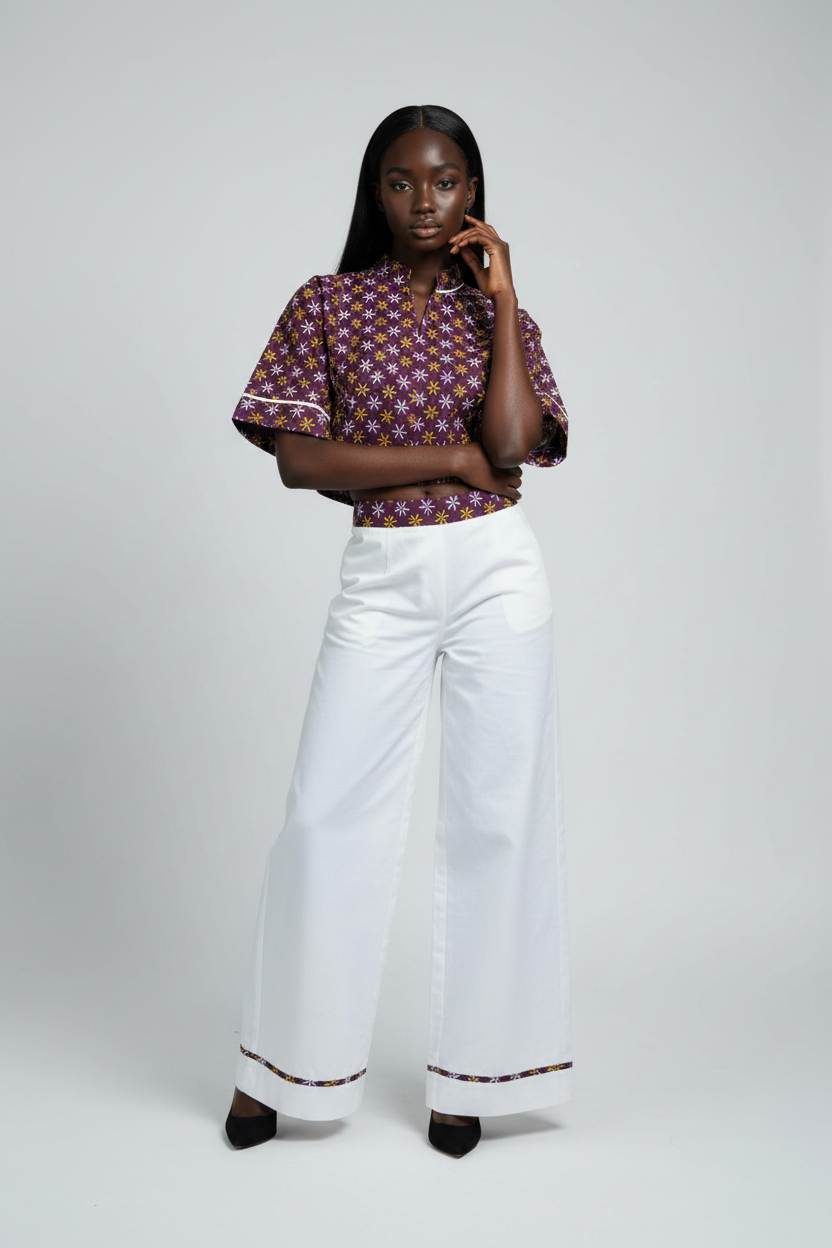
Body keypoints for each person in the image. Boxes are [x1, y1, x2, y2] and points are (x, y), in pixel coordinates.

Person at [224, 104, 572, 1159]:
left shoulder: (503, 318)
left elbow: (513, 445)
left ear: (474, 192)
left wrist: (501, 299)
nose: (426, 202)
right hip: (384, 574)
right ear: (375, 193)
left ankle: (473, 1077)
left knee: (499, 820)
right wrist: (451, 461)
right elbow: (301, 461)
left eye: (448, 180)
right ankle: (279, 1069)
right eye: (403, 182)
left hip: (498, 576)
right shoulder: (327, 303)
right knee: (325, 817)